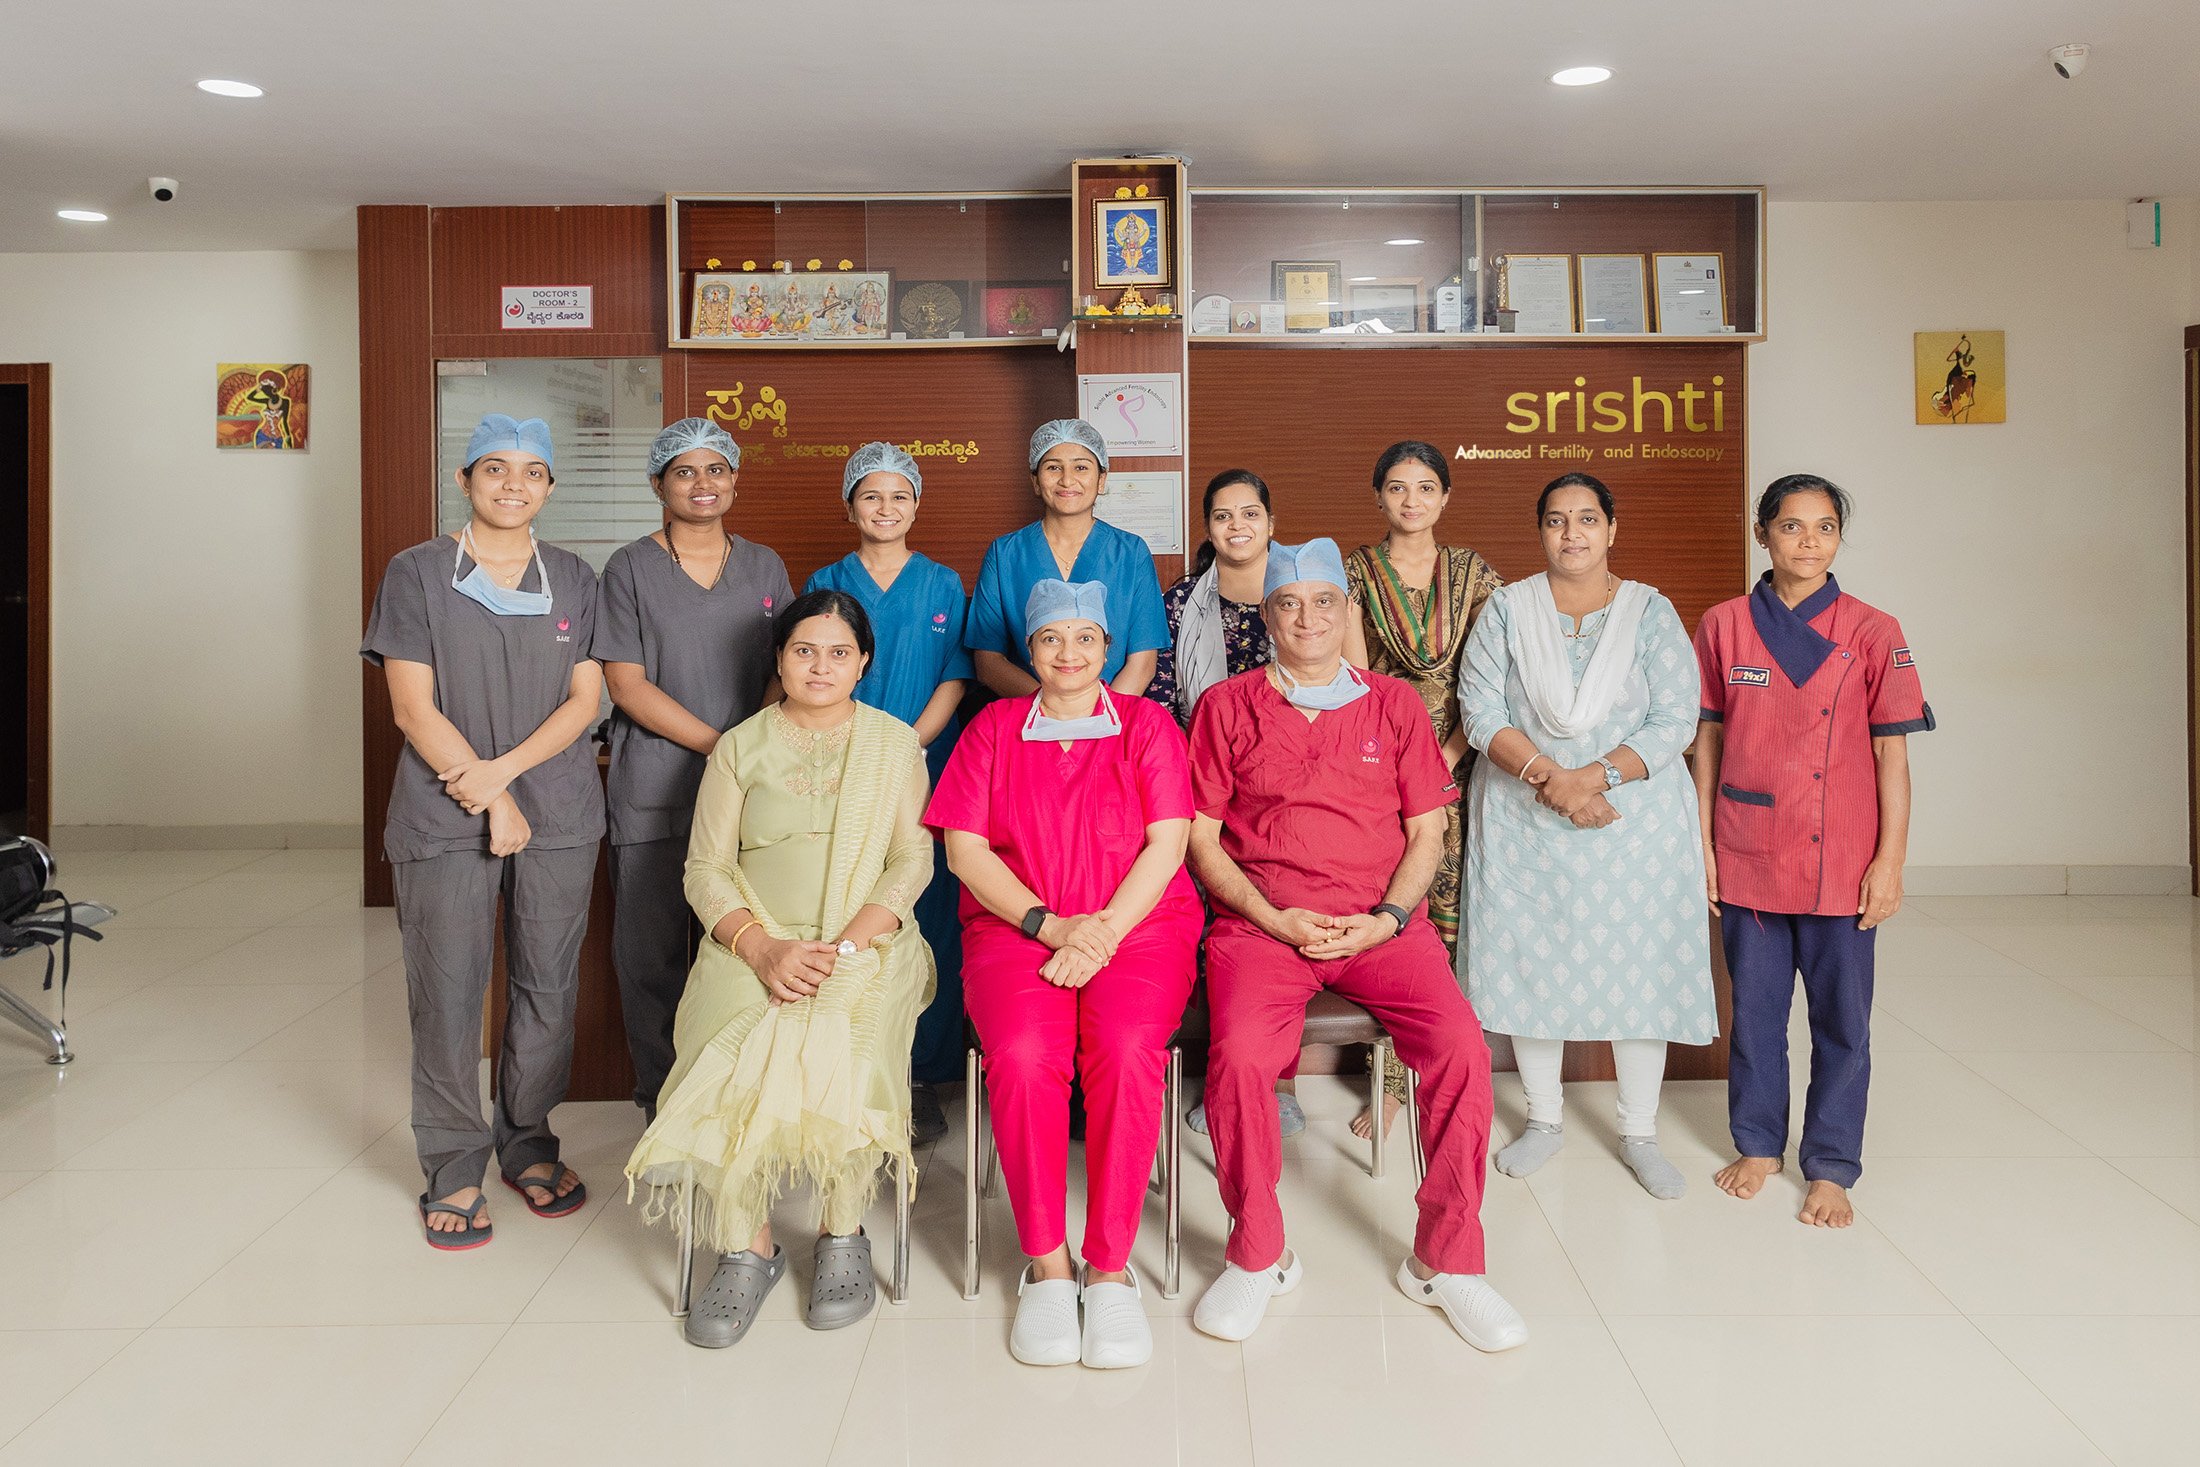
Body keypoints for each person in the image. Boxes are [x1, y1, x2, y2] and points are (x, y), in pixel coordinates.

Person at [1187, 538, 1526, 1352]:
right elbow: (1201, 840)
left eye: (1324, 601)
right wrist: (1273, 917)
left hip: (1378, 927)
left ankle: (1449, 1262)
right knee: (1235, 1059)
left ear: (1348, 610)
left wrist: (1389, 918)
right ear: (1265, 615)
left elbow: (1427, 829)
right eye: (1289, 603)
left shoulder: (1394, 705)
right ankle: (1258, 1253)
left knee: (1460, 1051)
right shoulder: (1226, 706)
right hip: (1262, 927)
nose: (1308, 618)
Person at [625, 590, 935, 1347]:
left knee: (851, 1047)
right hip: (751, 939)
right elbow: (705, 869)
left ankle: (842, 1227)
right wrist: (761, 947)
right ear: (779, 659)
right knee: (723, 1051)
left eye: (838, 652)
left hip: (867, 942)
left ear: (864, 661)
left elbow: (912, 857)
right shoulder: (740, 746)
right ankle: (745, 1242)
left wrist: (849, 946)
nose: (820, 666)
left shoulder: (894, 745)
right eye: (804, 650)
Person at [925, 579, 1201, 1370]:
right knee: (1019, 1056)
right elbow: (965, 852)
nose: (1070, 654)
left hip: (1139, 927)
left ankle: (1109, 1268)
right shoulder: (993, 727)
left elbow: (1169, 842)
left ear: (1108, 650)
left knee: (1122, 1048)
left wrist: (1102, 931)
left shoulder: (1147, 726)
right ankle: (1047, 1264)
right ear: (1029, 652)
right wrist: (1052, 926)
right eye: (1052, 640)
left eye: (1086, 639)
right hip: (1020, 929)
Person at [361, 413, 603, 1249]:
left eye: (531, 471)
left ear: (548, 488)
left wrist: (506, 775)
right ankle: (454, 1162)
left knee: (547, 984)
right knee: (449, 990)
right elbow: (410, 706)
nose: (512, 484)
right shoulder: (416, 573)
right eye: (493, 468)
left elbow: (584, 700)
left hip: (560, 809)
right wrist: (491, 794)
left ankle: (527, 1138)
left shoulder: (574, 576)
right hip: (443, 811)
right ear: (463, 481)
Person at [1457, 473, 1713, 1200]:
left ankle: (1639, 1131)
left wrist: (1590, 779)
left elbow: (1676, 720)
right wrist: (1551, 779)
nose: (1573, 534)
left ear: (1611, 529)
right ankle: (1543, 1119)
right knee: (1532, 964)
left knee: (1640, 971)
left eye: (1588, 519)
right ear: (1539, 531)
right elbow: (1478, 710)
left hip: (1632, 827)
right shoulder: (1507, 609)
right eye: (1558, 521)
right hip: (1524, 821)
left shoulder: (1650, 611)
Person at [1693, 475, 1932, 1228]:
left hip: (1843, 857)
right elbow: (1707, 741)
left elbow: (1893, 758)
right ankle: (1760, 1144)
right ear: (1762, 532)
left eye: (1824, 528)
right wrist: (1700, 844)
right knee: (1756, 1015)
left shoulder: (1874, 628)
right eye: (1791, 527)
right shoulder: (1725, 624)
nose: (1808, 542)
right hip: (1749, 849)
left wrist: (1889, 860)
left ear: (1838, 538)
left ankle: (1831, 1163)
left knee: (1841, 1021)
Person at [598, 418, 793, 1121]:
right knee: (650, 956)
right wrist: (725, 747)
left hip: (750, 796)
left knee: (744, 947)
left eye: (716, 470)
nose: (702, 484)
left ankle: (736, 1092)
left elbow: (786, 667)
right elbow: (627, 684)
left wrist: (746, 756)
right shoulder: (628, 568)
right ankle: (664, 1100)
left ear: (735, 479)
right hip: (654, 789)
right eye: (685, 471)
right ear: (658, 484)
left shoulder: (764, 565)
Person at [806, 441, 972, 1146]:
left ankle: (920, 1075)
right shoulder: (826, 580)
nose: (886, 507)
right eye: (871, 495)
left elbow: (954, 677)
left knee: (926, 916)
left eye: (900, 495)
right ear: (850, 505)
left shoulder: (942, 584)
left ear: (916, 505)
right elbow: (809, 670)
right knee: (846, 908)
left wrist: (904, 748)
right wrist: (861, 753)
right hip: (838, 770)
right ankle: (851, 1067)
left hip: (925, 766)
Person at [1343, 441, 1503, 1140]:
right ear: (1378, 496)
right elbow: (1353, 681)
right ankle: (1387, 1081)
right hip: (1379, 765)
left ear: (1446, 497)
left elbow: (1493, 678)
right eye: (1398, 488)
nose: (1412, 500)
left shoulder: (1475, 573)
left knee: (1457, 912)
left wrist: (1448, 754)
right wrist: (1403, 768)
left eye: (1426, 487)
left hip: (1465, 759)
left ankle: (1443, 1073)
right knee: (1390, 913)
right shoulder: (1350, 571)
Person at [1145, 470, 1302, 1140]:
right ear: (1205, 527)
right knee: (1220, 936)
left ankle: (1283, 1077)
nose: (1237, 526)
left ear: (1270, 519)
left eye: (1249, 513)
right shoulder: (1180, 602)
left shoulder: (1303, 596)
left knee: (1285, 922)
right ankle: (1225, 1076)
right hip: (1202, 786)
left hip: (1291, 789)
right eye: (1222, 515)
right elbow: (1156, 696)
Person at [966, 419, 1169, 698]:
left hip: (1113, 720)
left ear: (1101, 480)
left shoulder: (1131, 552)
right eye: (1053, 467)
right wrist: (1053, 711)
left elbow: (1142, 663)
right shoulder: (1005, 554)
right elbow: (988, 662)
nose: (1067, 479)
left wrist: (1098, 718)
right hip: (1028, 719)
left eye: (1081, 467)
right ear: (1036, 481)